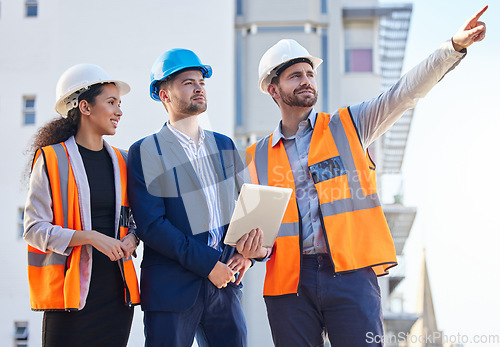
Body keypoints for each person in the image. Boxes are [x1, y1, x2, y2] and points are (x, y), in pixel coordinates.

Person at [239, 6, 488, 347]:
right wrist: (253, 250)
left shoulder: (349, 126)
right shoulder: (256, 157)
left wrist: (452, 48)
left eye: (309, 74)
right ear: (273, 89)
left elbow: (405, 93)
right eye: (295, 76)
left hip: (351, 275)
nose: (306, 81)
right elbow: (259, 235)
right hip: (289, 286)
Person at [127, 48, 250, 347]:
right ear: (164, 95)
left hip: (225, 286)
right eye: (187, 82)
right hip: (172, 289)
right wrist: (209, 265)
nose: (198, 87)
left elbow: (244, 209)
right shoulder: (145, 151)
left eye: (201, 82)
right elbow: (153, 226)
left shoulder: (224, 145)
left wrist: (247, 254)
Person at [23, 64, 140, 347]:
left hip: (116, 296)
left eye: (119, 103)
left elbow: (135, 220)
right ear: (85, 107)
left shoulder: (124, 161)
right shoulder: (51, 159)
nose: (119, 112)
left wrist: (132, 239)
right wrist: (89, 237)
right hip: (68, 298)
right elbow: (33, 229)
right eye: (111, 102)